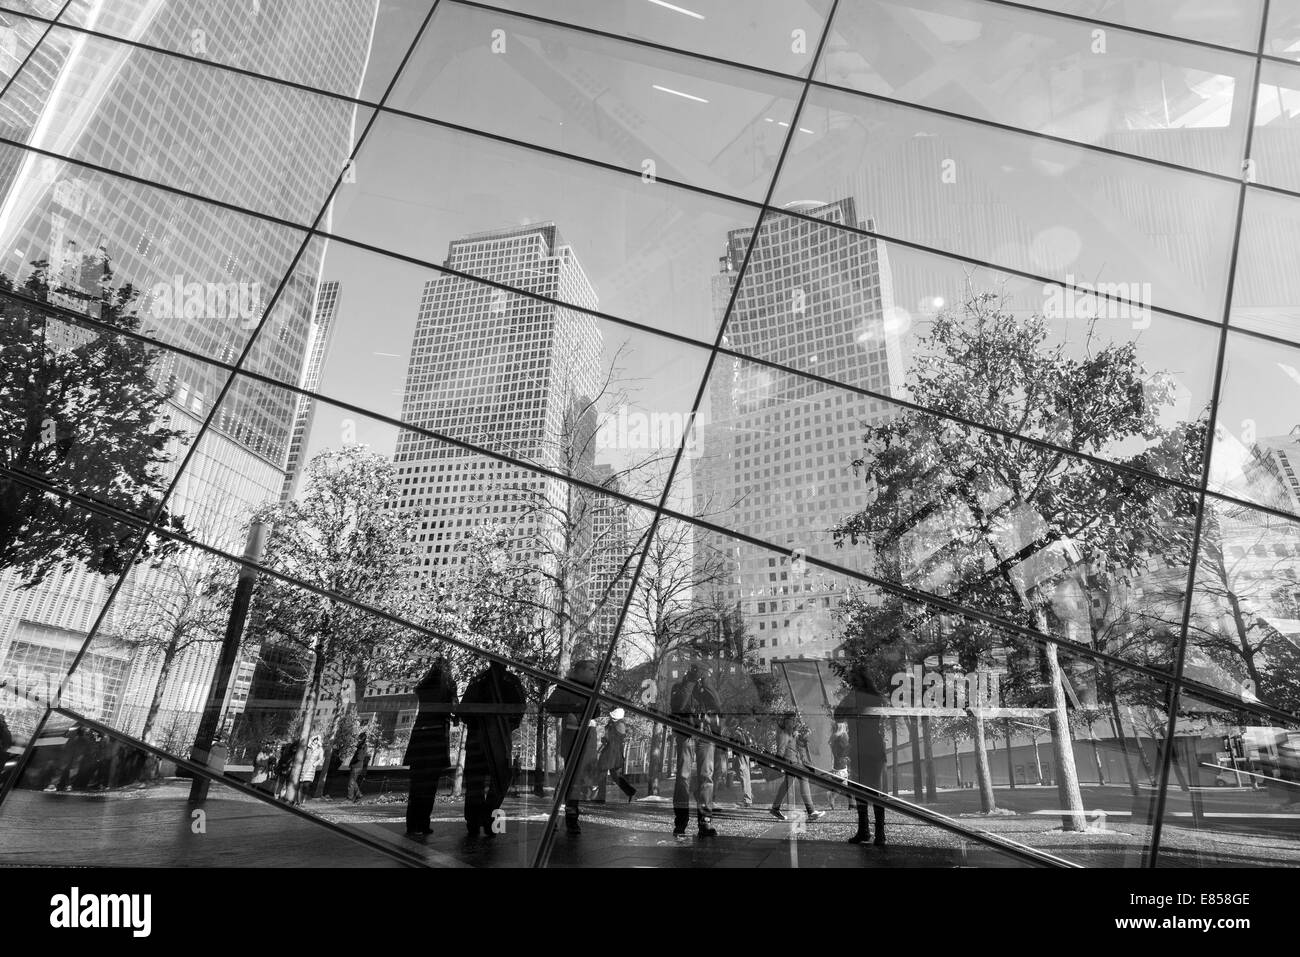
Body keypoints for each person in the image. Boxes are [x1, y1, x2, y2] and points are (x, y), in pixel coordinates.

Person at [460, 660, 527, 837]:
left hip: (477, 737)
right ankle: (488, 818)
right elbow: (520, 708)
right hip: (499, 737)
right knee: (501, 779)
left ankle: (474, 822)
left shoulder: (477, 680)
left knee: (475, 781)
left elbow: (464, 711)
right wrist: (507, 725)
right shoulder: (512, 681)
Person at [834, 665, 888, 846]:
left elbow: (837, 714)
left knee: (860, 790)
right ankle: (879, 833)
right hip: (875, 747)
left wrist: (850, 703)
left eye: (853, 680)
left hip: (860, 749)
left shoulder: (854, 696)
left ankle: (864, 830)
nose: (852, 683)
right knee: (876, 791)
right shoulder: (877, 697)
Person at [544, 659, 600, 834]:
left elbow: (597, 711)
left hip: (586, 739)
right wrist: (572, 710)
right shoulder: (567, 686)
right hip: (572, 739)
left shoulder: (592, 688)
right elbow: (550, 706)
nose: (594, 673)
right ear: (580, 671)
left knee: (576, 781)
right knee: (569, 780)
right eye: (591, 669)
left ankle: (570, 817)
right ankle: (562, 817)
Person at [404, 657, 457, 839]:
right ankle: (424, 823)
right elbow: (455, 710)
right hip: (436, 740)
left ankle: (412, 824)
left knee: (416, 786)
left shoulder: (423, 686)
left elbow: (418, 692)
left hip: (419, 739)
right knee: (430, 786)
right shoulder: (448, 686)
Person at [669, 663, 722, 838]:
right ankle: (681, 822)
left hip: (705, 736)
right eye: (697, 671)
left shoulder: (705, 688)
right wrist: (691, 681)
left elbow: (716, 704)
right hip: (686, 734)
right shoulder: (679, 686)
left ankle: (705, 822)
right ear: (689, 672)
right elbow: (679, 705)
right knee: (683, 777)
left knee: (706, 777)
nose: (699, 674)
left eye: (702, 672)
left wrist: (705, 682)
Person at [769, 713, 824, 822]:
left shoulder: (791, 733)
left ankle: (775, 808)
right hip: (791, 763)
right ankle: (811, 811)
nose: (793, 723)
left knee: (786, 785)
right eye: (791, 720)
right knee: (804, 778)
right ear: (786, 722)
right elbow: (780, 751)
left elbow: (797, 746)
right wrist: (779, 764)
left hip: (795, 762)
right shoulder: (784, 734)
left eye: (794, 720)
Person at [597, 708, 636, 802]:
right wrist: (605, 739)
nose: (610, 717)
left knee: (611, 775)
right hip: (610, 751)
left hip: (614, 752)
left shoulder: (619, 725)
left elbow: (617, 738)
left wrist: (607, 739)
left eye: (612, 716)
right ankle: (600, 797)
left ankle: (630, 792)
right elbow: (610, 737)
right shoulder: (612, 724)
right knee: (607, 775)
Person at [828, 720, 852, 811]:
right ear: (843, 726)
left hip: (837, 764)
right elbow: (847, 749)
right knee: (845, 785)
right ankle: (851, 805)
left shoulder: (834, 736)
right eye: (845, 724)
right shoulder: (843, 736)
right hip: (842, 764)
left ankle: (832, 796)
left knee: (842, 785)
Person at [297, 735, 324, 805]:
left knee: (306, 786)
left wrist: (314, 765)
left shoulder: (320, 749)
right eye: (314, 740)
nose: (315, 741)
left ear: (319, 741)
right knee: (301, 785)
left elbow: (321, 759)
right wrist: (312, 737)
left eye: (317, 740)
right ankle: (298, 801)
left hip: (311, 768)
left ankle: (303, 800)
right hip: (304, 767)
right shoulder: (308, 747)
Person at [347, 732, 371, 803]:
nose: (357, 740)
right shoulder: (361, 746)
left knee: (351, 783)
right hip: (357, 766)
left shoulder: (362, 746)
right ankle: (359, 795)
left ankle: (349, 798)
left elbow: (359, 757)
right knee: (353, 782)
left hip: (356, 766)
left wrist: (353, 762)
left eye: (359, 738)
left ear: (361, 739)